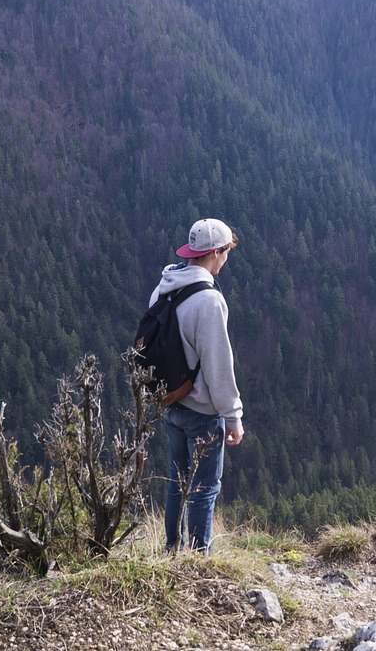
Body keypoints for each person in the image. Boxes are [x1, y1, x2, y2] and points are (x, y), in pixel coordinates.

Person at [149, 218, 244, 552]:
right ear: (216, 252)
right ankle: (199, 555)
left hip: (170, 402)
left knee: (177, 480)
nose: (226, 259)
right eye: (226, 253)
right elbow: (218, 365)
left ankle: (173, 549)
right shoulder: (209, 301)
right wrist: (233, 417)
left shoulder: (164, 286)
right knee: (205, 485)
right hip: (201, 410)